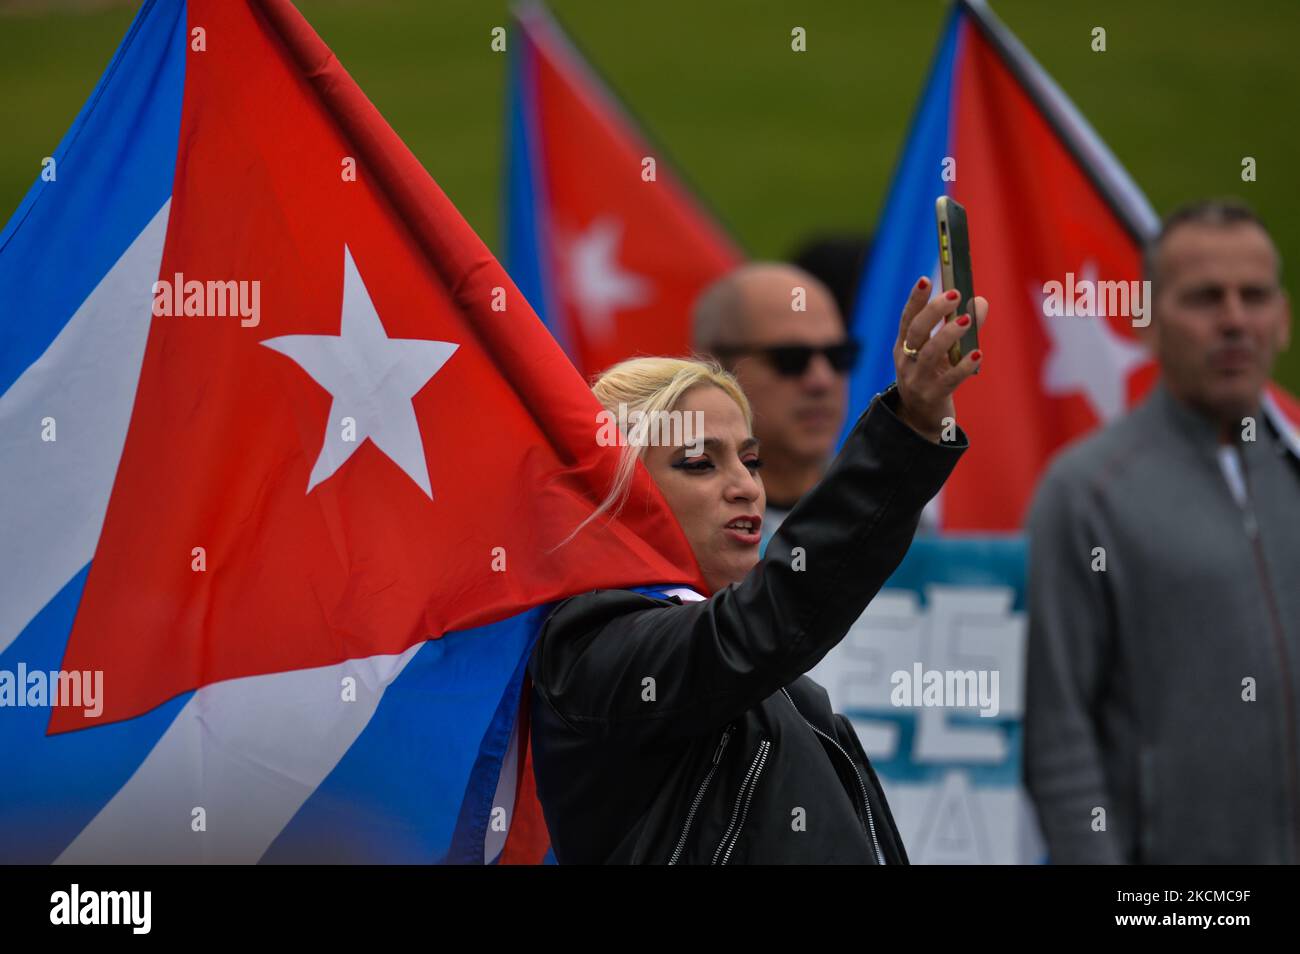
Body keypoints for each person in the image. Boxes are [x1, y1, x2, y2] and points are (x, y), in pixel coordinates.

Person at [527, 278, 987, 863]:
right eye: (699, 462)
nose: (746, 487)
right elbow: (767, 620)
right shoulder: (590, 650)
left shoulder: (791, 694)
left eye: (751, 459)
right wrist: (911, 426)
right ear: (617, 496)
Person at [1024, 198, 1299, 864]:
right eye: (1205, 298)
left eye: (1254, 296)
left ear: (1283, 319)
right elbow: (1057, 732)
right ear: (1146, 322)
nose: (1235, 320)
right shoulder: (1086, 492)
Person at [691, 263, 860, 550]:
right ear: (714, 367)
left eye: (838, 356)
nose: (822, 380)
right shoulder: (677, 527)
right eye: (790, 359)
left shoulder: (891, 507)